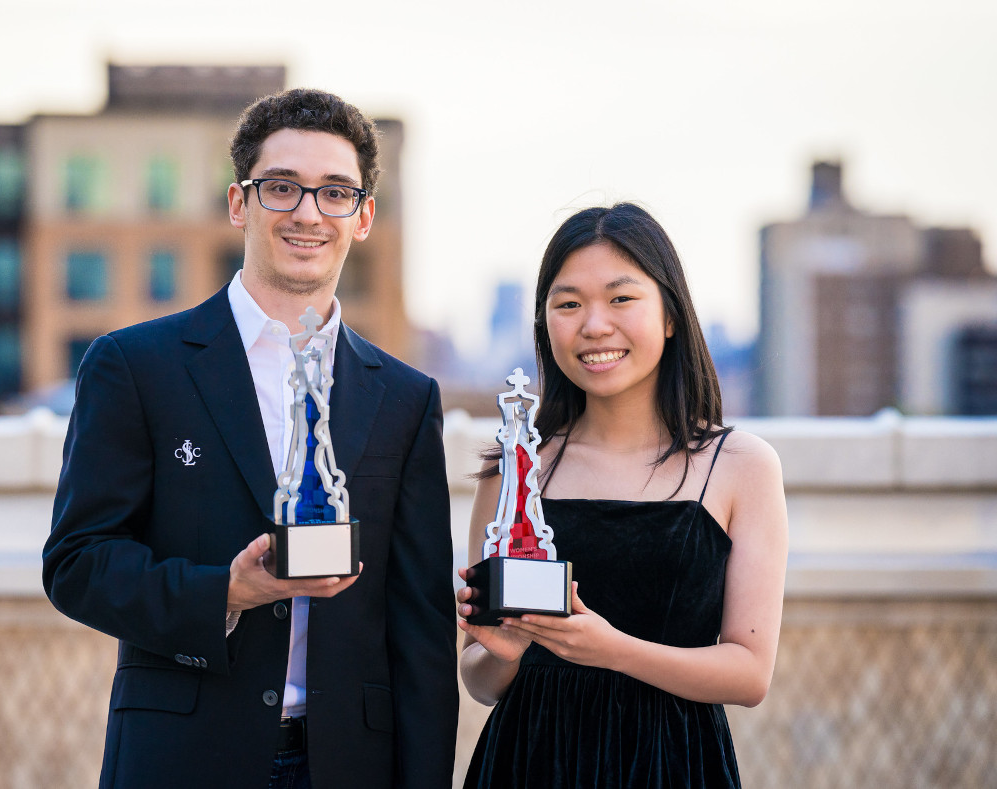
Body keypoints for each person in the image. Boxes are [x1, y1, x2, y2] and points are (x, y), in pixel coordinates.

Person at [43, 88, 458, 789]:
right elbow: (78, 564)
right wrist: (226, 594)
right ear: (239, 203)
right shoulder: (136, 366)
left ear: (363, 218)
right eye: (282, 188)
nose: (307, 212)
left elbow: (420, 633)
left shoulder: (408, 399)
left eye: (335, 193)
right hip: (182, 758)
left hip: (349, 765)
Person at [456, 204, 788, 788]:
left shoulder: (740, 467)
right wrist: (502, 651)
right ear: (544, 325)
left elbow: (749, 674)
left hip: (673, 763)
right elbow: (480, 682)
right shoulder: (512, 468)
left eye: (621, 298)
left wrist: (612, 649)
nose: (593, 325)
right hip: (528, 761)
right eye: (568, 304)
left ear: (669, 316)